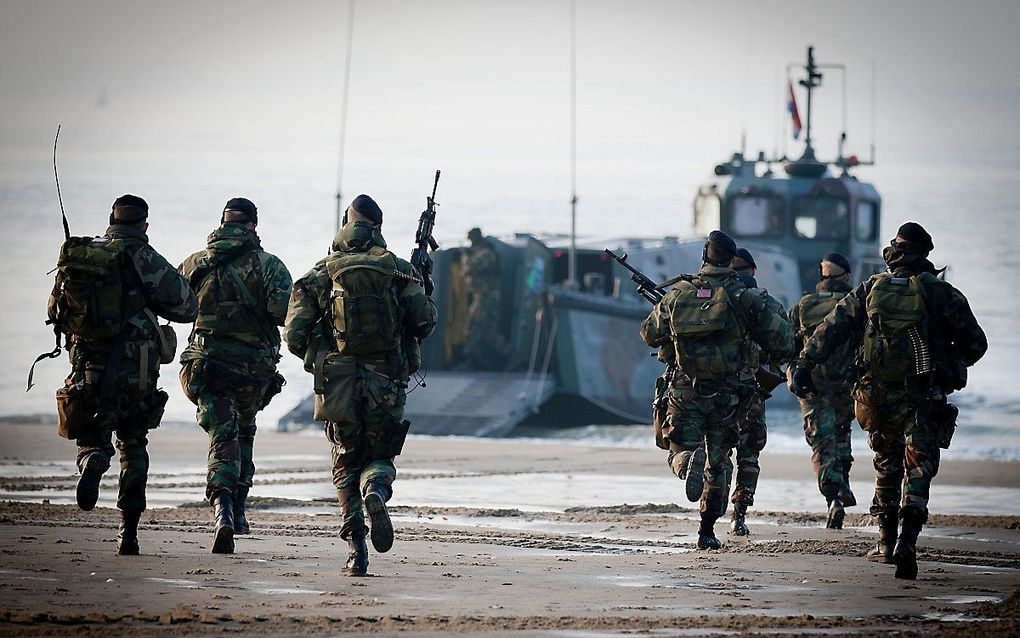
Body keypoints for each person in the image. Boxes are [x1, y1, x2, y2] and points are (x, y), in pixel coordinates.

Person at [790, 222, 987, 579]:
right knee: (918, 468)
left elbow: (831, 329)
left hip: (876, 396)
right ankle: (907, 542)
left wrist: (804, 364)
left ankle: (884, 542)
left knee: (886, 465)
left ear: (894, 252)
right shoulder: (942, 293)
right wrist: (948, 362)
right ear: (925, 254)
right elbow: (977, 344)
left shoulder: (870, 289)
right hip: (924, 395)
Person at [284, 194, 437, 576]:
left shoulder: (322, 272)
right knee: (380, 454)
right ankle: (375, 490)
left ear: (346, 224)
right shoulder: (400, 270)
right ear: (378, 229)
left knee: (344, 459)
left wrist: (320, 355)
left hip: (337, 382)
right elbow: (425, 324)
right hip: (386, 378)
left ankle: (356, 552)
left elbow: (294, 332)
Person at [48, 195, 198, 555]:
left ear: (110, 221)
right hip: (137, 366)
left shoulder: (84, 258)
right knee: (133, 443)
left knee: (91, 432)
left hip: (88, 363)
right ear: (144, 225)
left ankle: (92, 459)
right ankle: (128, 531)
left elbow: (54, 309)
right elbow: (187, 306)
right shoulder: (147, 259)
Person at [640, 231, 794, 550]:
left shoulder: (679, 294)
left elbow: (648, 334)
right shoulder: (748, 297)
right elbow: (783, 342)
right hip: (730, 393)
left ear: (705, 256)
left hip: (685, 390)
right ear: (731, 260)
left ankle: (685, 460)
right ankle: (707, 531)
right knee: (720, 460)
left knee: (678, 446)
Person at [178, 198, 293, 554]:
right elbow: (283, 313)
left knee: (221, 435)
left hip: (206, 367)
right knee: (243, 432)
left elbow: (176, 307)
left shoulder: (195, 263)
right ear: (253, 225)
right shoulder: (270, 266)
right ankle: (236, 510)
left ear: (223, 222)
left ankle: (223, 509)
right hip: (251, 373)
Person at [788, 252, 857, 529]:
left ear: (822, 275)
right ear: (847, 277)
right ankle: (844, 483)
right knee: (842, 432)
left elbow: (788, 345)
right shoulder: (855, 304)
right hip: (846, 384)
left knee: (821, 441)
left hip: (812, 385)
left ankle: (833, 498)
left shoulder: (804, 305)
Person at [728, 248, 774, 536]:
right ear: (753, 272)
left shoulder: (715, 301)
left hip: (718, 390)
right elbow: (784, 344)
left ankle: (709, 516)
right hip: (752, 391)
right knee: (748, 455)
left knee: (717, 452)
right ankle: (739, 514)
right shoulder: (764, 304)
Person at [460, 227, 509, 369]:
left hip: (486, 297)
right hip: (482, 296)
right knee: (488, 332)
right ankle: (510, 356)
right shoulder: (482, 252)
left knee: (473, 328)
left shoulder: (486, 253)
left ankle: (469, 361)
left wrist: (466, 256)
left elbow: (468, 270)